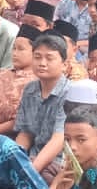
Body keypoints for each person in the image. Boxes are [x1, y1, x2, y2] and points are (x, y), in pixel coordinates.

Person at [15, 32, 70, 175]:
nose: (42, 63)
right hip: (33, 156)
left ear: (64, 65)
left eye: (49, 58)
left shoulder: (69, 93)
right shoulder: (30, 89)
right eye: (37, 57)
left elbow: (58, 139)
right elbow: (26, 133)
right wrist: (14, 159)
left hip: (59, 162)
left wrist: (30, 171)